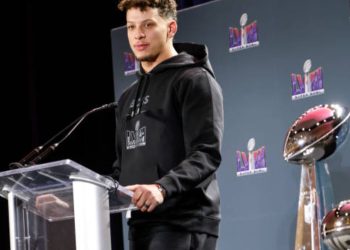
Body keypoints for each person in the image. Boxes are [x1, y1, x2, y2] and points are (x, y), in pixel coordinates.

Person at [112, 0, 224, 249]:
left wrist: (162, 188)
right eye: (131, 27)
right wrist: (75, 200)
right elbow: (122, 169)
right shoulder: (128, 97)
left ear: (171, 28)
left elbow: (206, 154)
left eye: (148, 25)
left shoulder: (195, 80)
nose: (138, 34)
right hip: (140, 224)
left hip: (184, 222)